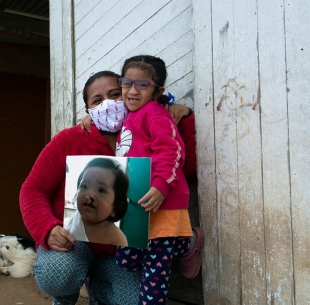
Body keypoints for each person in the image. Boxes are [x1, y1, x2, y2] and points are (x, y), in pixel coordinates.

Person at [19, 70, 196, 305]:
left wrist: (182, 118)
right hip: (74, 242)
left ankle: (98, 290)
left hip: (121, 253)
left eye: (115, 94)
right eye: (98, 100)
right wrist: (47, 229)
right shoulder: (69, 139)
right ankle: (64, 298)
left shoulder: (149, 133)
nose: (109, 103)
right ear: (89, 111)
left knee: (136, 301)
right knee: (58, 273)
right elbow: (33, 189)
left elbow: (188, 169)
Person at [113, 55, 204, 304]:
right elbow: (102, 114)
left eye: (142, 85)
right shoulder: (128, 114)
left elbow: (172, 151)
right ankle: (186, 242)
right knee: (126, 260)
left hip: (163, 204)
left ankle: (183, 241)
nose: (132, 90)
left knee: (155, 273)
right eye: (126, 83)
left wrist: (161, 185)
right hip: (136, 205)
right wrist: (89, 117)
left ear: (157, 91)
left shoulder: (156, 114)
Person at [66, 157, 129, 246]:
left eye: (101, 190)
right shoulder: (75, 219)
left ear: (115, 207)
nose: (89, 195)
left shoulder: (115, 237)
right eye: (84, 186)